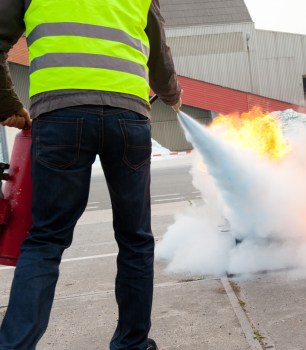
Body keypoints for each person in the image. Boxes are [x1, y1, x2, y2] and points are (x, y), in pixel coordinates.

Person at [0, 0, 182, 349]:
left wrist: (8, 105)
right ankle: (132, 343)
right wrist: (172, 94)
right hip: (128, 117)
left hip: (60, 116)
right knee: (135, 239)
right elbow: (159, 55)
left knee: (46, 240)